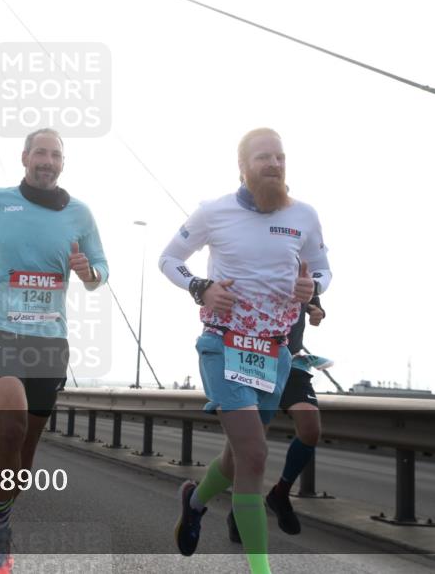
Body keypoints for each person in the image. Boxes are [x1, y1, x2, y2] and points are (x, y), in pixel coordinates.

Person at [158, 128, 330, 574]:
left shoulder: (304, 215)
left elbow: (323, 271)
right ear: (243, 167)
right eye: (263, 157)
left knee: (238, 458)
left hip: (274, 354)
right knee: (255, 454)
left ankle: (194, 503)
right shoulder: (214, 212)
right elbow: (169, 259)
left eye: (279, 157)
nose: (273, 164)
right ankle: (260, 569)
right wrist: (200, 287)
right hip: (224, 344)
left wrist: (313, 289)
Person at [0, 128, 109, 574]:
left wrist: (88, 271)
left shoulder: (80, 214)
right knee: (13, 425)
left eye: (55, 155)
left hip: (49, 338)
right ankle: (1, 530)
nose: (47, 161)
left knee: (27, 452)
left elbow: (100, 271)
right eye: (41, 152)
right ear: (25, 157)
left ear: (62, 163)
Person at [228, 297, 329, 542]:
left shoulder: (304, 276)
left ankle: (280, 493)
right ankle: (237, 511)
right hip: (255, 359)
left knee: (310, 429)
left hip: (292, 362)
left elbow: (314, 304)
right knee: (250, 446)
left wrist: (317, 311)